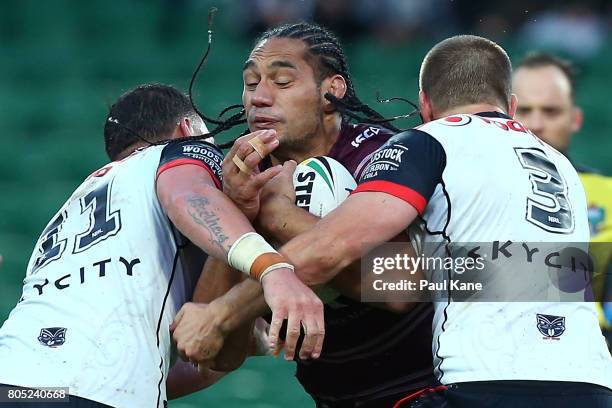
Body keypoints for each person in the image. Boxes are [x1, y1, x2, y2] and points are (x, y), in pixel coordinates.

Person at [225, 35, 612, 406]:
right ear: (511, 107)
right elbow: (508, 268)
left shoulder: (429, 141)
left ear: (425, 107)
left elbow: (340, 253)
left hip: (484, 380)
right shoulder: (563, 168)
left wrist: (222, 311)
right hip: (591, 380)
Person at [0, 84, 324, 408]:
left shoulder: (64, 218)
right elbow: (187, 196)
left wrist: (243, 331)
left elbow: (166, 374)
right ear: (187, 130)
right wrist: (272, 267)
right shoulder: (179, 151)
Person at [171, 22, 437, 408]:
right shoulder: (246, 180)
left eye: (281, 81)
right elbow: (217, 354)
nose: (259, 97)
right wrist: (238, 212)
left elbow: (397, 287)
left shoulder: (383, 155)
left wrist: (279, 217)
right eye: (250, 82)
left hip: (424, 392)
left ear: (332, 90)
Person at [512, 52, 612, 342]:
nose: (537, 124)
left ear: (575, 118)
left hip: (591, 349)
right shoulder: (467, 189)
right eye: (524, 110)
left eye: (551, 111)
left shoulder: (607, 194)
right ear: (505, 114)